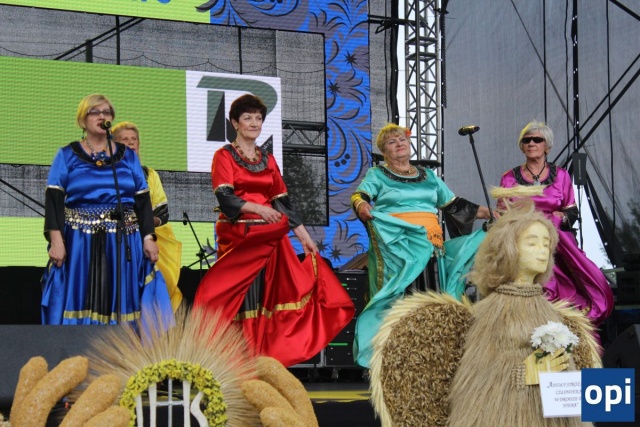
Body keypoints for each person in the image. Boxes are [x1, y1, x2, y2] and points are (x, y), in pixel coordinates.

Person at [368, 200, 601, 426]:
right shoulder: (494, 312)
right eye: (532, 243)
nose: (542, 252)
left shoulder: (548, 309)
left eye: (546, 244)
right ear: (508, 249)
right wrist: (523, 373)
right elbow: (478, 377)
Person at [193, 94, 354, 367]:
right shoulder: (224, 155)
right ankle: (238, 363)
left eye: (258, 118)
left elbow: (282, 203)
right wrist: (259, 209)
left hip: (270, 240)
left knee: (270, 297)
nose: (254, 123)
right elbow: (225, 198)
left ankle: (264, 361)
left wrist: (304, 237)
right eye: (247, 118)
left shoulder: (267, 160)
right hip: (241, 239)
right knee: (244, 299)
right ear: (235, 123)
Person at [350, 123, 493, 368]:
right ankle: (398, 358)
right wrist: (362, 206)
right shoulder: (377, 174)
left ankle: (432, 357)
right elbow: (359, 195)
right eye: (392, 142)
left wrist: (488, 212)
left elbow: (453, 204)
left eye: (402, 139)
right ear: (385, 151)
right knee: (402, 301)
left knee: (431, 298)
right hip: (399, 250)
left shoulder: (428, 176)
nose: (399, 144)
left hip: (430, 249)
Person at [42, 94, 173, 325]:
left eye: (106, 112)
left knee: (123, 297)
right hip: (79, 241)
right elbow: (54, 200)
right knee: (82, 295)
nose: (101, 116)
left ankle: (121, 344)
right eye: (95, 112)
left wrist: (148, 237)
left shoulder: (128, 157)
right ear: (83, 119)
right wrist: (56, 240)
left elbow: (142, 201)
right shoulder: (66, 155)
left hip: (124, 239)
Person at [499, 120, 613, 326]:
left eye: (537, 139)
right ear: (521, 146)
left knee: (576, 285)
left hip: (556, 241)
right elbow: (502, 214)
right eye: (526, 140)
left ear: (547, 146)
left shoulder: (560, 175)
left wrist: (559, 217)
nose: (531, 143)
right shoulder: (508, 178)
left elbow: (572, 211)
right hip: (521, 242)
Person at [112, 121, 183, 312]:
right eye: (124, 139)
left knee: (151, 293)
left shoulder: (149, 174)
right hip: (115, 240)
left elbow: (162, 212)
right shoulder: (106, 174)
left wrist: (141, 224)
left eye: (134, 139)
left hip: (146, 241)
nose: (131, 143)